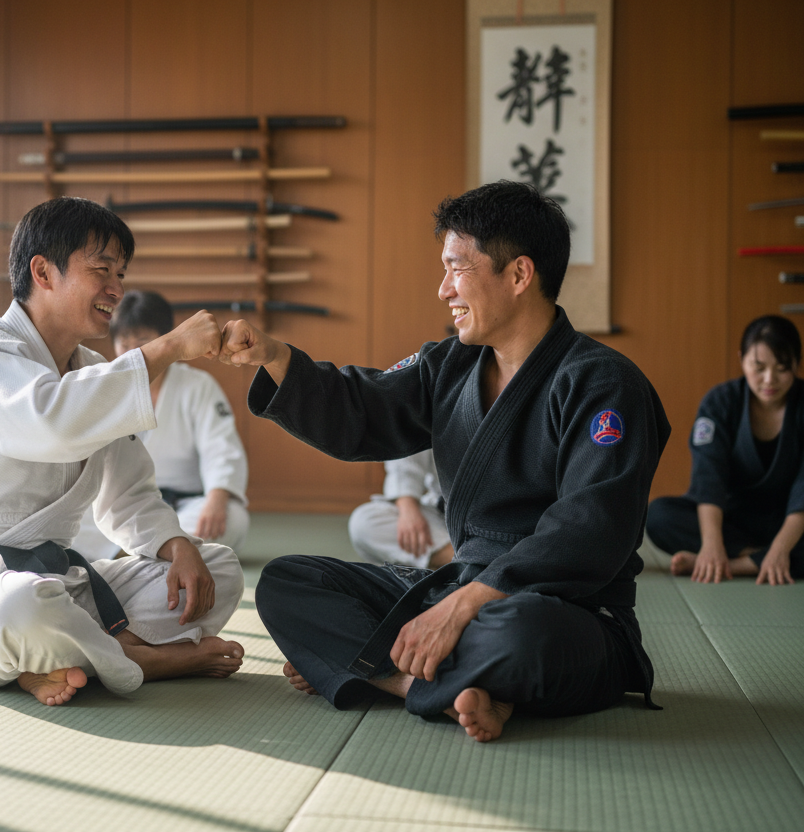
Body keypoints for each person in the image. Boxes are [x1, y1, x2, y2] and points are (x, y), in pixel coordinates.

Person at [218, 180, 670, 743]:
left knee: (521, 634)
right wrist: (276, 357)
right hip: (458, 584)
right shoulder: (449, 365)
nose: (443, 290)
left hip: (564, 609)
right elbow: (364, 408)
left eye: (457, 269)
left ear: (519, 275)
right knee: (286, 582)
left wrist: (464, 605)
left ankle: (376, 669)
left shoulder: (603, 383)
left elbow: (592, 527)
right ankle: (427, 686)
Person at [0, 197, 245, 707]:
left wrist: (174, 545)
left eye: (121, 273)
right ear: (43, 272)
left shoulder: (88, 370)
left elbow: (127, 492)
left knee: (217, 571)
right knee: (22, 607)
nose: (116, 289)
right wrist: (166, 348)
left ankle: (54, 661)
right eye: (101, 269)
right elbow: (51, 424)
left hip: (61, 586)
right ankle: (137, 659)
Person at [646, 315, 804, 585]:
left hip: (793, 522)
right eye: (758, 366)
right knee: (658, 515)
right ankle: (788, 563)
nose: (769, 379)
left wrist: (780, 548)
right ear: (742, 358)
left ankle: (739, 565)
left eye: (782, 368)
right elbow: (709, 478)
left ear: (797, 363)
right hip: (732, 520)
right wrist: (711, 545)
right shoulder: (719, 402)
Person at [70, 290, 250, 560]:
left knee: (233, 518)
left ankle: (138, 554)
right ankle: (154, 555)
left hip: (186, 503)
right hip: (126, 507)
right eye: (123, 342)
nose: (133, 352)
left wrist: (217, 497)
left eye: (142, 341)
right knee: (73, 518)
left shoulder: (197, 386)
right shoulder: (107, 388)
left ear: (167, 338)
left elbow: (221, 447)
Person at [348, 451, 453, 568]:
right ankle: (462, 563)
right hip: (444, 513)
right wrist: (408, 509)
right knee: (363, 523)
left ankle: (469, 566)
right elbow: (406, 451)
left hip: (476, 522)